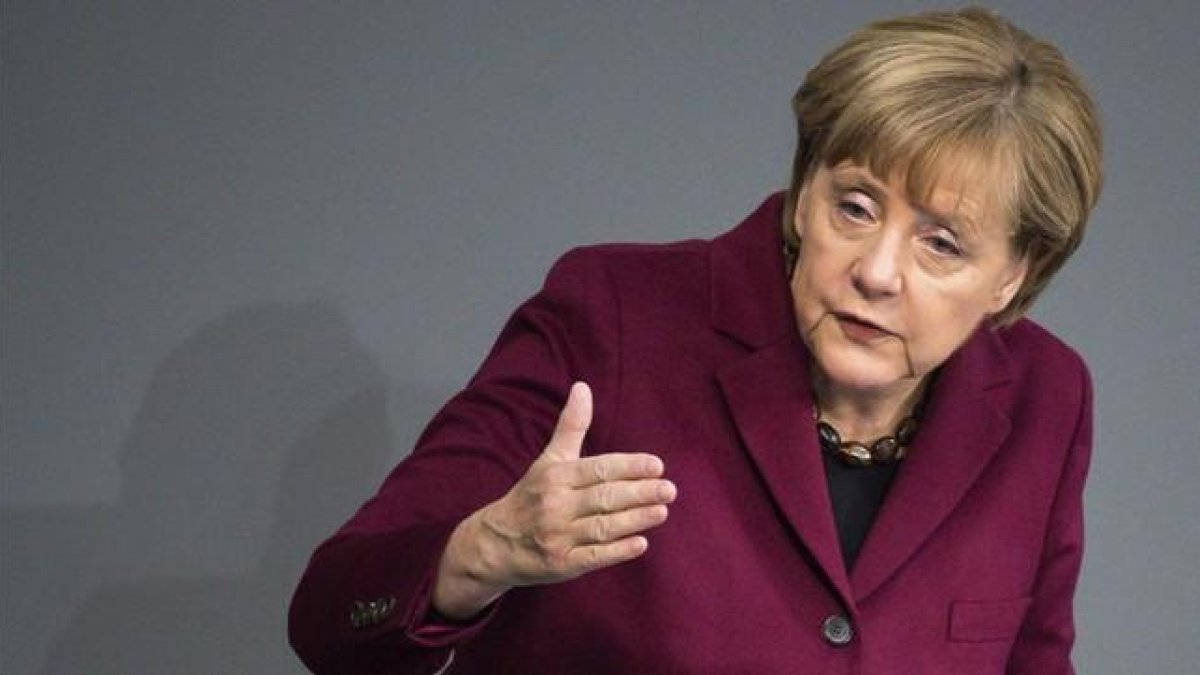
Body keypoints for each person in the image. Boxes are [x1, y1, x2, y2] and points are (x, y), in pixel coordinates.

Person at [289, 7, 1102, 674]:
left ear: (1014, 276)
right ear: (803, 192)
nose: (878, 272)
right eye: (854, 206)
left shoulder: (1046, 400)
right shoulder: (615, 317)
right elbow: (329, 615)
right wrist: (483, 551)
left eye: (942, 244)